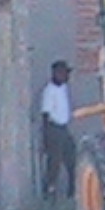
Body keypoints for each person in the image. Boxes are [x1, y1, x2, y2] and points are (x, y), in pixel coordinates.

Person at [40, 59, 77, 201]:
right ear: (56, 73)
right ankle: (49, 193)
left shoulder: (63, 88)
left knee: (71, 158)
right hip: (53, 129)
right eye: (64, 73)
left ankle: (71, 192)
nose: (67, 76)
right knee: (54, 163)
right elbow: (45, 114)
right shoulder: (49, 91)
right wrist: (45, 137)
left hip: (63, 128)